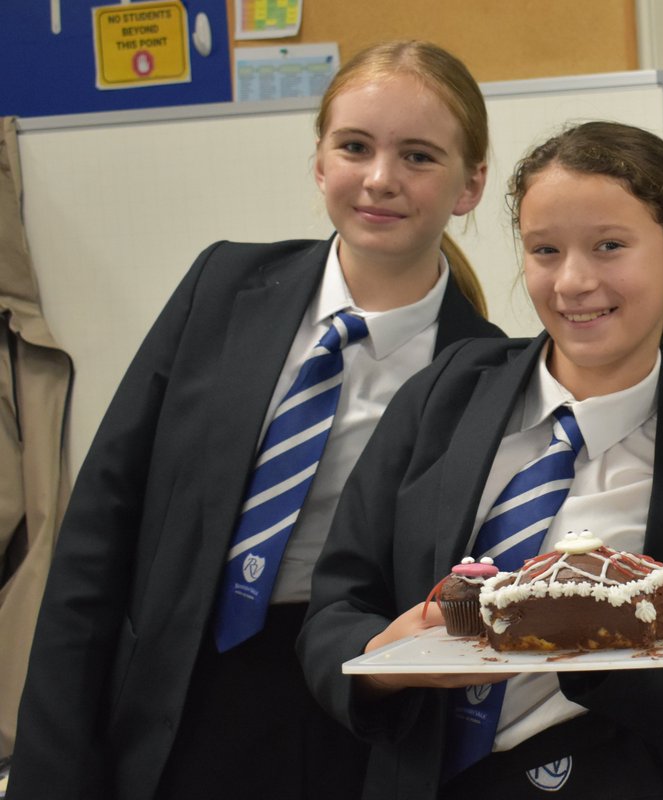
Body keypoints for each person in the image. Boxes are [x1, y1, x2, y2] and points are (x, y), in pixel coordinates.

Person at [9, 40, 504, 800]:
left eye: (417, 156)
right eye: (355, 147)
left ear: (469, 184)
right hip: (172, 689)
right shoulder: (223, 287)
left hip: (344, 710)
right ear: (318, 162)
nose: (380, 178)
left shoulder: (486, 374)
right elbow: (99, 531)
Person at [298, 121, 663, 799]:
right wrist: (389, 661)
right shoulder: (443, 398)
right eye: (545, 250)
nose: (573, 281)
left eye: (610, 246)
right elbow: (335, 606)